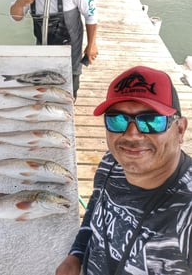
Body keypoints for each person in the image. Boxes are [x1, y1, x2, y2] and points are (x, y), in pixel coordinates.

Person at [56, 65, 192, 275]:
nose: (131, 135)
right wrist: (77, 253)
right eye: (117, 119)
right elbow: (97, 205)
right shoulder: (111, 163)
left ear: (180, 129)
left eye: (151, 120)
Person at [10, 0, 98, 99]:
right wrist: (20, 3)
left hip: (70, 55)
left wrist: (91, 44)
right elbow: (16, 17)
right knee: (42, 95)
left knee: (68, 95)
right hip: (43, 54)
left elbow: (90, 13)